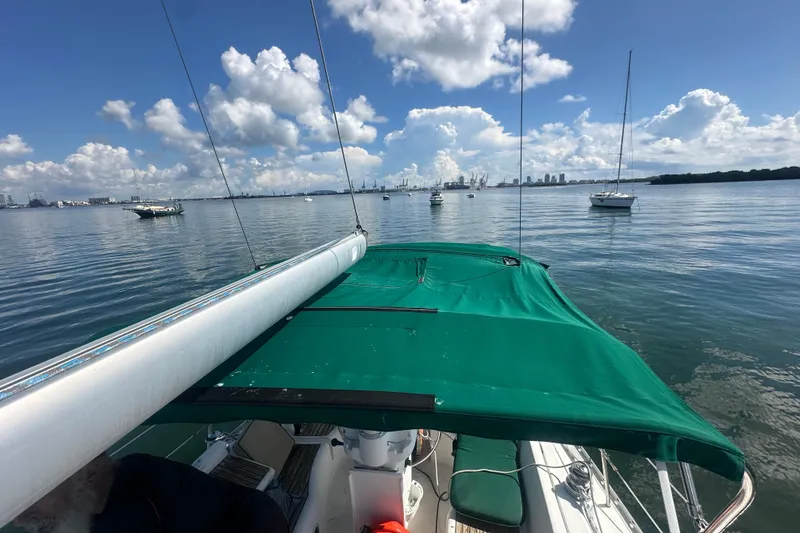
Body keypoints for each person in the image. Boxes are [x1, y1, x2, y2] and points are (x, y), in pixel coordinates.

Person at [14, 453, 290, 533]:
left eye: (31, 497)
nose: (19, 519)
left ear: (89, 469)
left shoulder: (137, 507)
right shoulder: (133, 466)